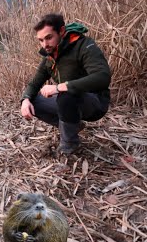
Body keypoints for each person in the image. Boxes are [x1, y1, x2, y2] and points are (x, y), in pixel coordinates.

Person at [20, 13, 111, 155]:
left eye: (49, 38)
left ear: (61, 31)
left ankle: (69, 146)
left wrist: (59, 87)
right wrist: (25, 100)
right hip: (70, 101)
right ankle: (73, 126)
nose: (45, 44)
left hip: (95, 102)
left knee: (65, 95)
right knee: (33, 101)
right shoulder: (50, 55)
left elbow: (102, 77)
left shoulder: (84, 45)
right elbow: (34, 83)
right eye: (41, 40)